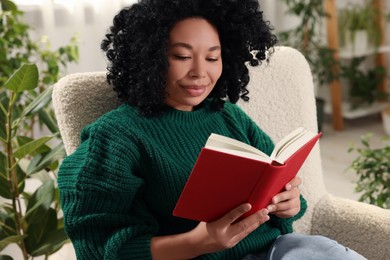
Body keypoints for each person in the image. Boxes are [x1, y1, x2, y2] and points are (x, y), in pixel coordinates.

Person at [57, 0, 366, 259]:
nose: (200, 73)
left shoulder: (228, 115)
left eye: (213, 57)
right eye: (181, 56)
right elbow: (97, 248)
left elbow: (276, 183)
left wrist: (289, 204)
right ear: (148, 57)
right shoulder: (116, 137)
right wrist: (198, 241)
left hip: (278, 250)